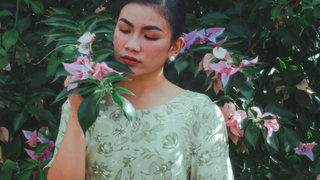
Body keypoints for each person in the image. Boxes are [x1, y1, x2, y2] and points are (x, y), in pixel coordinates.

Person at [45, 0, 234, 179]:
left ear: (175, 47)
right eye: (124, 30)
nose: (132, 45)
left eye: (150, 36)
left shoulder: (199, 112)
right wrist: (77, 113)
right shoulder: (83, 102)